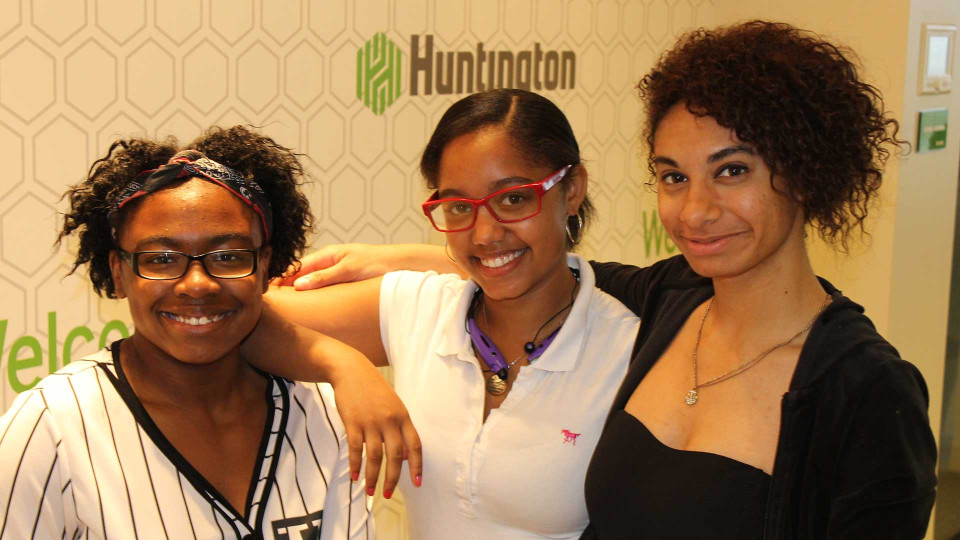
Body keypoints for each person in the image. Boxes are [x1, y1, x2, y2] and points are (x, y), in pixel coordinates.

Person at [279, 22, 939, 539]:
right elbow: (535, 266)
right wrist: (401, 267)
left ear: (806, 170)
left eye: (731, 171)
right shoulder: (669, 303)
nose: (696, 209)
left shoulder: (865, 391)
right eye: (673, 176)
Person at [244, 89, 641, 539]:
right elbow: (239, 318)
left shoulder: (633, 351)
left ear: (571, 190)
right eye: (458, 208)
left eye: (513, 199)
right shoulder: (418, 308)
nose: (485, 233)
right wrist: (345, 366)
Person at [0, 126, 374, 539]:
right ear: (119, 273)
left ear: (265, 266)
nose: (197, 284)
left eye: (228, 256)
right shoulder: (53, 426)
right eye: (160, 258)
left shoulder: (325, 415)